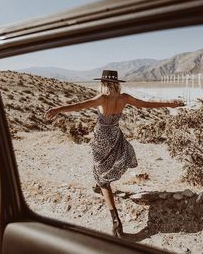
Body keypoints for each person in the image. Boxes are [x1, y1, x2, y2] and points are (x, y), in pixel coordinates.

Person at [45, 70, 182, 238]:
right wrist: (169, 103)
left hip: (101, 139)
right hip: (115, 136)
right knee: (105, 168)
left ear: (103, 83)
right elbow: (146, 104)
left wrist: (57, 109)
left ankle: (115, 219)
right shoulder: (124, 98)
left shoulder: (102, 99)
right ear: (117, 83)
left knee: (102, 176)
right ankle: (100, 185)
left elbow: (79, 106)